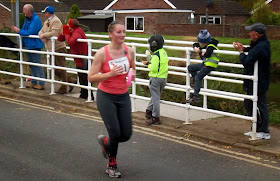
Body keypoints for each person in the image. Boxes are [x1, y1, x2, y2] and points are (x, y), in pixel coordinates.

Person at [88, 20, 136, 178]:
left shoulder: (129, 51)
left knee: (126, 134)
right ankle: (112, 164)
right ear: (110, 34)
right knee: (115, 132)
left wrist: (133, 73)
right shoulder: (102, 53)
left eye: (124, 32)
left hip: (123, 95)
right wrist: (110, 74)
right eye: (119, 32)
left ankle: (106, 142)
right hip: (106, 96)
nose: (123, 34)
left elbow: (133, 67)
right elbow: (91, 77)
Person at [233, 22, 271, 140]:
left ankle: (264, 131)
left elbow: (246, 61)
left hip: (259, 80)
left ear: (256, 34)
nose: (249, 33)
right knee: (249, 103)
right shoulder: (259, 43)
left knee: (260, 105)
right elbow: (253, 51)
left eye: (251, 31)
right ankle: (256, 127)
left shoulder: (261, 46)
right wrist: (244, 48)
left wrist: (241, 52)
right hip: (254, 80)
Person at [39, 6, 75, 94]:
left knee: (61, 68)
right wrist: (41, 35)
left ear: (48, 13)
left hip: (58, 47)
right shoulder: (47, 22)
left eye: (45, 12)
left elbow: (54, 33)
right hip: (51, 48)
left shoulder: (56, 21)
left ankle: (64, 87)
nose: (44, 14)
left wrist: (44, 35)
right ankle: (70, 80)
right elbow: (41, 31)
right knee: (53, 68)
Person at [11, 4, 45, 90]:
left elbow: (30, 32)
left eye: (24, 10)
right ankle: (33, 82)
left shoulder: (36, 19)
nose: (23, 12)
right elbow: (24, 30)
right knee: (31, 64)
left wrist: (19, 31)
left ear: (28, 11)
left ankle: (41, 83)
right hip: (29, 45)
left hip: (35, 45)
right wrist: (20, 31)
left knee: (37, 64)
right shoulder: (27, 19)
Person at [57, 19, 93, 99]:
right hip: (79, 57)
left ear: (71, 26)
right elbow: (60, 39)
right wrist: (64, 32)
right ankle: (84, 94)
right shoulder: (72, 31)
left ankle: (88, 95)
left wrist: (66, 34)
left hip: (84, 56)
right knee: (81, 75)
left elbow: (71, 42)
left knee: (84, 76)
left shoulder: (77, 32)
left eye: (68, 25)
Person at [142, 35, 169, 125]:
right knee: (155, 96)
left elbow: (153, 68)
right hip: (163, 78)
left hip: (155, 78)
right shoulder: (163, 52)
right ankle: (148, 111)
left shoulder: (156, 55)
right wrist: (150, 61)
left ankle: (155, 117)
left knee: (156, 98)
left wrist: (147, 64)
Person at [186, 29, 219, 103]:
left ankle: (196, 95)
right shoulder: (205, 45)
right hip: (205, 64)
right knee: (190, 68)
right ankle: (196, 84)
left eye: (201, 43)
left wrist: (202, 52)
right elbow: (195, 44)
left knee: (198, 77)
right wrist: (196, 48)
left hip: (210, 65)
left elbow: (207, 54)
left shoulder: (211, 46)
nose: (200, 44)